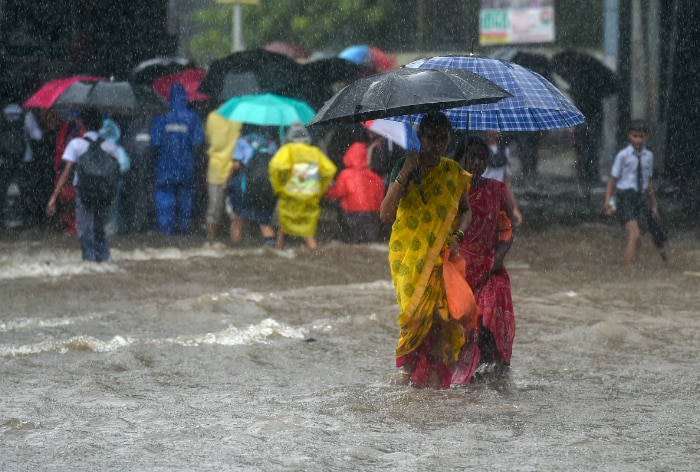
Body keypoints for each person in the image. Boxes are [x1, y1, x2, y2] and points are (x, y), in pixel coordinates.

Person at [379, 112, 473, 389]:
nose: (437, 143)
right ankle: (406, 375)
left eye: (443, 138)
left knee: (442, 319)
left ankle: (431, 385)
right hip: (408, 256)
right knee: (414, 315)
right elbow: (385, 214)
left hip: (442, 258)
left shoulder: (454, 172)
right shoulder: (403, 166)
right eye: (431, 137)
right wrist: (407, 171)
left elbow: (466, 211)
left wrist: (458, 234)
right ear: (420, 138)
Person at [456, 136, 516, 381]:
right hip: (460, 269)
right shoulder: (454, 189)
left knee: (491, 316)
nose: (477, 162)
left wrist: (500, 256)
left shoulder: (496, 189)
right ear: (463, 159)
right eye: (472, 157)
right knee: (463, 327)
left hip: (490, 267)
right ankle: (466, 374)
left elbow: (509, 229)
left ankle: (496, 373)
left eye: (482, 157)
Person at [46, 110, 121, 262]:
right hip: (103, 193)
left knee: (84, 230)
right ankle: (104, 260)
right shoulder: (109, 146)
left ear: (81, 123)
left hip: (83, 192)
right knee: (100, 230)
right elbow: (116, 172)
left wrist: (54, 197)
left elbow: (66, 172)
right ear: (100, 125)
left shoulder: (76, 144)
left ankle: (88, 261)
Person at [604, 120, 667, 266]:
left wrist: (653, 204)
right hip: (625, 196)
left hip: (641, 197)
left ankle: (633, 262)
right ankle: (629, 269)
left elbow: (648, 181)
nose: (638, 140)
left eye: (641, 136)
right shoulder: (623, 156)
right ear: (629, 136)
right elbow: (612, 180)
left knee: (641, 233)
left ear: (647, 137)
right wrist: (607, 202)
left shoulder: (648, 156)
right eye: (635, 136)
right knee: (634, 233)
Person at [268, 122, 337, 250]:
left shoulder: (287, 150)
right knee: (307, 231)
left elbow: (276, 166)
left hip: (290, 195)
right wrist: (319, 188)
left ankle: (279, 252)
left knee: (284, 227)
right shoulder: (314, 152)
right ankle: (315, 254)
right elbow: (329, 170)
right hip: (310, 195)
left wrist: (279, 186)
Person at [150, 82, 204, 235]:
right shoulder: (193, 117)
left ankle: (166, 234)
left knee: (165, 203)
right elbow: (198, 142)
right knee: (185, 203)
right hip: (186, 168)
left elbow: (155, 142)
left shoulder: (162, 116)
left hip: (165, 168)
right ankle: (182, 234)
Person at [226, 125, 278, 246]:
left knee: (238, 220)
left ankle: (235, 254)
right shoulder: (271, 144)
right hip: (266, 187)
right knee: (264, 222)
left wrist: (227, 180)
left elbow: (236, 165)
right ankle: (270, 249)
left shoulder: (242, 141)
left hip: (244, 186)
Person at [325, 141, 385, 243]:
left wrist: (326, 192)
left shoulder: (346, 175)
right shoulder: (374, 177)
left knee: (352, 241)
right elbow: (381, 197)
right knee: (369, 242)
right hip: (372, 215)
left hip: (351, 214)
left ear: (348, 155)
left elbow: (336, 193)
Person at [0, 101, 43, 228]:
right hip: (24, 160)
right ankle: (27, 221)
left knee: (2, 191)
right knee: (26, 191)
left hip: (3, 161)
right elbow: (38, 136)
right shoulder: (26, 115)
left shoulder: (1, 115)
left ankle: (2, 223)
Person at [204, 110, 241, 240]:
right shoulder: (240, 117)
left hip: (215, 168)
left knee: (214, 209)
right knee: (236, 211)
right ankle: (237, 245)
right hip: (235, 169)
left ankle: (211, 241)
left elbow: (208, 139)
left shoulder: (212, 116)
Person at [483, 130, 523, 226]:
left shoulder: (504, 150)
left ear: (499, 133)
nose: (491, 133)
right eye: (489, 130)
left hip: (500, 194)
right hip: (485, 194)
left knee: (503, 227)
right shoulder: (481, 150)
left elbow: (507, 181)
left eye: (494, 130)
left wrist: (514, 207)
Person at [98, 117, 130, 235]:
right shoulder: (118, 149)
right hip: (115, 184)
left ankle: (101, 231)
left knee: (100, 210)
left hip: (98, 184)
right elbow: (125, 166)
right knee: (113, 210)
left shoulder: (97, 146)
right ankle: (113, 231)